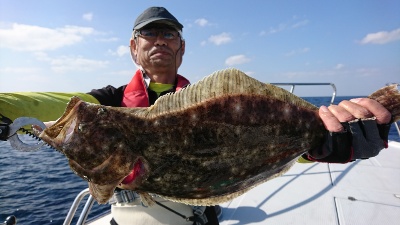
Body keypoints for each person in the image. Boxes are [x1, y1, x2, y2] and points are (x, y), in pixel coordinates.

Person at [0, 6, 393, 225]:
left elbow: (260, 145)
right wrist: (4, 108)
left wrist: (321, 145)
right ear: (133, 49)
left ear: (181, 48)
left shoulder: (202, 103)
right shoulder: (106, 103)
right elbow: (46, 106)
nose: (158, 41)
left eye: (167, 34)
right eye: (149, 35)